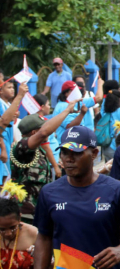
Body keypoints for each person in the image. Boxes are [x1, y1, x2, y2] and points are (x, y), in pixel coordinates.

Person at [31, 126, 120, 269]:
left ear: (94, 154)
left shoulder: (116, 190)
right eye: (64, 152)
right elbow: (44, 238)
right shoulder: (49, 193)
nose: (68, 159)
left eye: (76, 153)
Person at [5, 85, 81, 221]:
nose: (47, 130)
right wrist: (67, 111)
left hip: (39, 209)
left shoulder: (39, 150)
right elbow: (44, 132)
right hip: (26, 212)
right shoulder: (21, 147)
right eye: (42, 127)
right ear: (34, 132)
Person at [0, 182, 43, 269]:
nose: (8, 233)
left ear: (19, 217)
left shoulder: (33, 233)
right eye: (2, 229)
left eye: (12, 227)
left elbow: (49, 263)